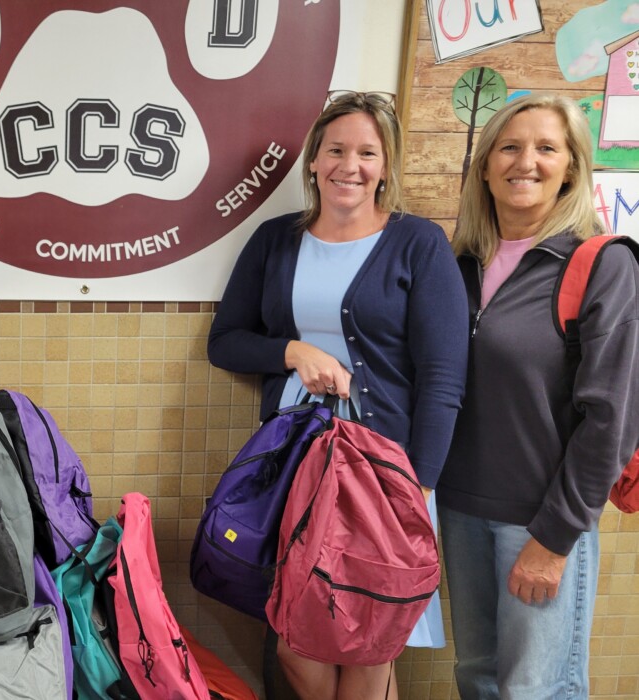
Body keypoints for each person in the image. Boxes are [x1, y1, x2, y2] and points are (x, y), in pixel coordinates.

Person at [207, 91, 468, 699]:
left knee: (369, 641)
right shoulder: (275, 240)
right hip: (294, 465)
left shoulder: (419, 245)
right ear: (314, 162)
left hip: (384, 474)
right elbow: (226, 341)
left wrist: (418, 488)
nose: (350, 165)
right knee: (299, 637)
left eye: (368, 153)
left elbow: (444, 379)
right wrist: (292, 351)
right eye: (336, 150)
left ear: (386, 166)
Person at [437, 93, 639, 700]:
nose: (526, 161)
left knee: (535, 690)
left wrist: (553, 541)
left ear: (572, 167)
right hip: (459, 511)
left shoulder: (601, 265)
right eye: (510, 146)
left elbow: (613, 419)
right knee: (477, 678)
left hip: (540, 522)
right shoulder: (458, 264)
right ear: (485, 166)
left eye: (546, 148)